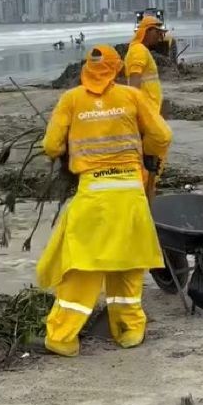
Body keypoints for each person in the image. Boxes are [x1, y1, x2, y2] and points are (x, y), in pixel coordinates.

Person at [35, 45, 173, 357]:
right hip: (128, 195)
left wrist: (72, 145)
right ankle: (128, 330)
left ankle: (61, 337)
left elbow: (51, 145)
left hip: (92, 197)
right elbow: (162, 136)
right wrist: (145, 150)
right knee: (127, 265)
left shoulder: (71, 99)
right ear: (115, 68)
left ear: (87, 68)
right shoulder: (131, 96)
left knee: (82, 267)